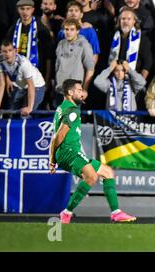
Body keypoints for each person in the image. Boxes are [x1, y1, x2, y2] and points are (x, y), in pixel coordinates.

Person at [49, 79, 136, 224]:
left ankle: (116, 212)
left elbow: (56, 136)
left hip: (69, 152)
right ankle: (67, 212)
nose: (82, 93)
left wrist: (53, 159)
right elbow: (59, 136)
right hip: (68, 152)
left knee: (107, 172)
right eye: (78, 90)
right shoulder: (72, 110)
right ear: (70, 93)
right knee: (91, 177)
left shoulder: (62, 108)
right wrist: (52, 159)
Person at [0, 40, 46, 117]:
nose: (7, 54)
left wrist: (29, 108)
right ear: (1, 52)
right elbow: (1, 83)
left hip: (36, 85)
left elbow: (31, 85)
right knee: (12, 112)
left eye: (10, 50)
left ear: (15, 51)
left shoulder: (23, 63)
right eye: (4, 51)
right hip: (20, 85)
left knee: (26, 115)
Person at [54, 19, 95, 106]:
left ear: (78, 31)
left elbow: (90, 68)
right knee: (59, 118)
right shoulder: (60, 44)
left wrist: (84, 89)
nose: (68, 32)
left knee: (72, 117)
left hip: (75, 91)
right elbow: (57, 66)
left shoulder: (84, 45)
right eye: (66, 29)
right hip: (60, 89)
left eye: (72, 29)